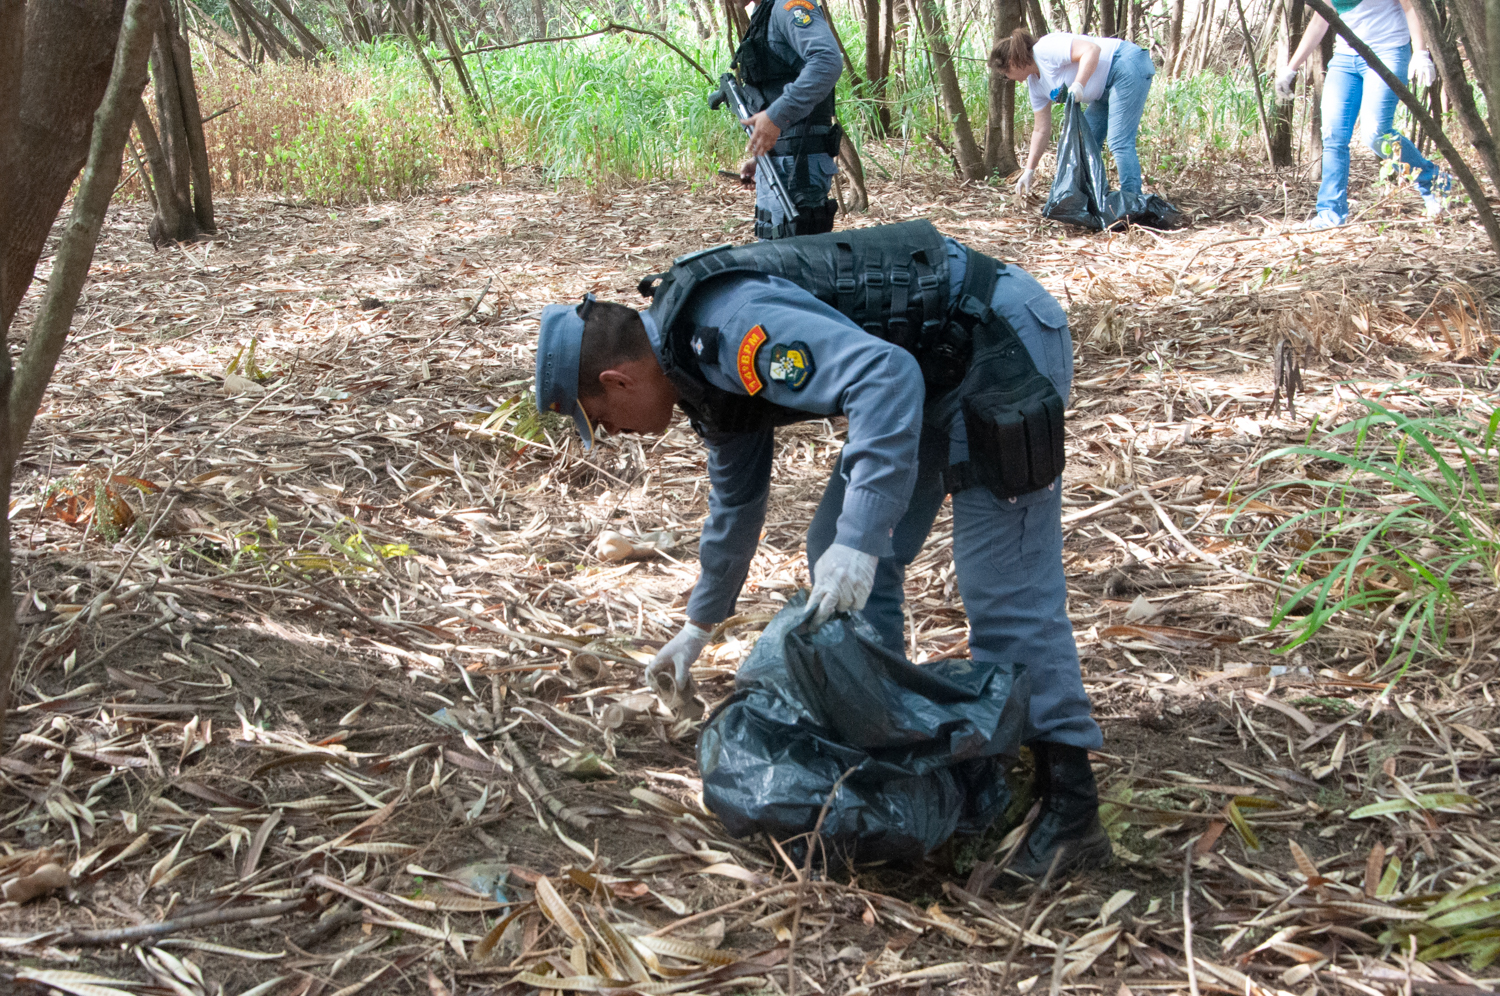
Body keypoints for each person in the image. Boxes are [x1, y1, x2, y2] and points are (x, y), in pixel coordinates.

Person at [534, 222, 1111, 875]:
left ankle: (1070, 808)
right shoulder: (693, 362)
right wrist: (699, 624)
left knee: (1000, 588)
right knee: (829, 544)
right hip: (929, 371)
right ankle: (897, 765)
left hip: (995, 343)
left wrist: (863, 541)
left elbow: (882, 376)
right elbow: (736, 503)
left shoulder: (728, 331)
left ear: (615, 381)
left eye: (603, 423)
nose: (615, 434)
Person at [1277, 0, 1448, 229]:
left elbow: (1411, 7)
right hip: (1346, 58)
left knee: (1376, 133)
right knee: (1333, 136)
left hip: (1388, 51)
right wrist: (1291, 68)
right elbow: (1320, 19)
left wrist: (1420, 53)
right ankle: (1329, 214)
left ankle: (1433, 181)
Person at [991, 28, 1157, 199]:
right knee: (1083, 142)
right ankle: (1094, 198)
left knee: (1119, 141)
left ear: (1012, 62)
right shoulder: (1035, 85)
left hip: (1125, 63)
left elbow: (1092, 50)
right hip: (1103, 90)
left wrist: (1079, 84)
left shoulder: (1045, 49)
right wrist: (1029, 170)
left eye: (1006, 74)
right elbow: (1041, 129)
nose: (1008, 79)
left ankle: (1132, 201)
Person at [732, 0, 843, 239]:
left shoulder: (789, 6)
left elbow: (827, 60)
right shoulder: (765, 14)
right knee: (776, 254)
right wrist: (762, 157)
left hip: (799, 163)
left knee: (794, 262)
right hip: (781, 161)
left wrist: (776, 116)